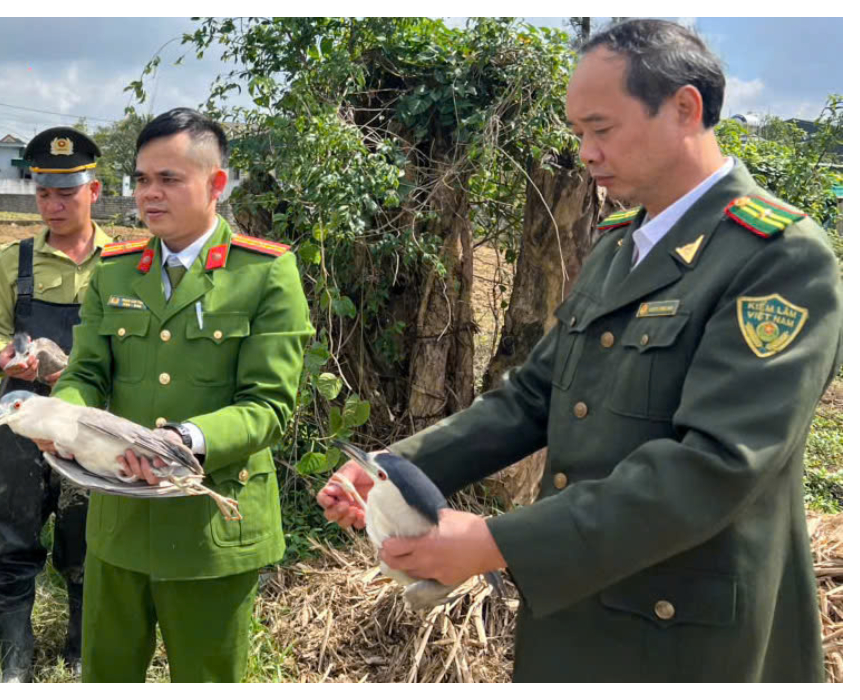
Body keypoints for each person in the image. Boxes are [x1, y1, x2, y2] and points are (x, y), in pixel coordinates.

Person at [319, 19, 841, 682]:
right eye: (578, 133)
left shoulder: (776, 258)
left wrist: (496, 542)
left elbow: (714, 466)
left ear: (684, 108)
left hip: (687, 633)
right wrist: (398, 469)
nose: (586, 153)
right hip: (578, 613)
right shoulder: (621, 243)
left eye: (602, 128)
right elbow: (535, 396)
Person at [41, 108, 313, 682]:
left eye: (169, 179)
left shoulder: (265, 273)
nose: (149, 194)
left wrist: (181, 441)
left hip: (209, 530)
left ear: (216, 184)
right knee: (107, 678)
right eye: (141, 179)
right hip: (119, 521)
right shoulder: (115, 272)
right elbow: (87, 370)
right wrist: (62, 415)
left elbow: (269, 406)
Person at [0, 126, 112, 682]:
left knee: (88, 535)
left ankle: (81, 648)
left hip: (89, 424)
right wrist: (4, 355)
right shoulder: (13, 262)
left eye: (66, 194)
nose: (53, 206)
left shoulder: (125, 260)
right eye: (43, 194)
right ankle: (16, 658)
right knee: (11, 533)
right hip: (22, 419)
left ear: (94, 191)